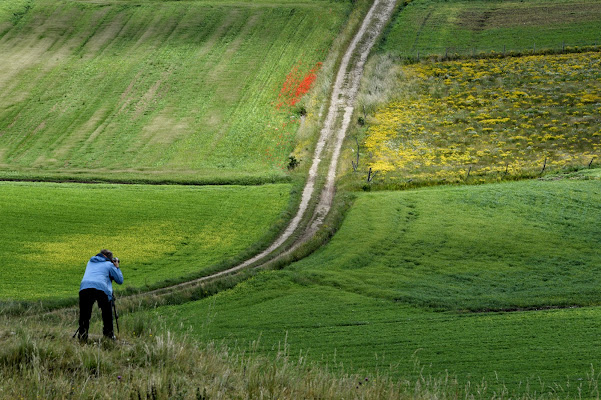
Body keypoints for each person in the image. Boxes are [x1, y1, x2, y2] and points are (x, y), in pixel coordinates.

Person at [77, 249, 123, 341]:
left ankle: (82, 337)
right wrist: (116, 267)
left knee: (85, 315)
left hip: (85, 287)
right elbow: (119, 280)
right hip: (101, 288)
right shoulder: (109, 265)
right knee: (107, 313)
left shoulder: (90, 262)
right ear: (109, 258)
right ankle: (108, 336)